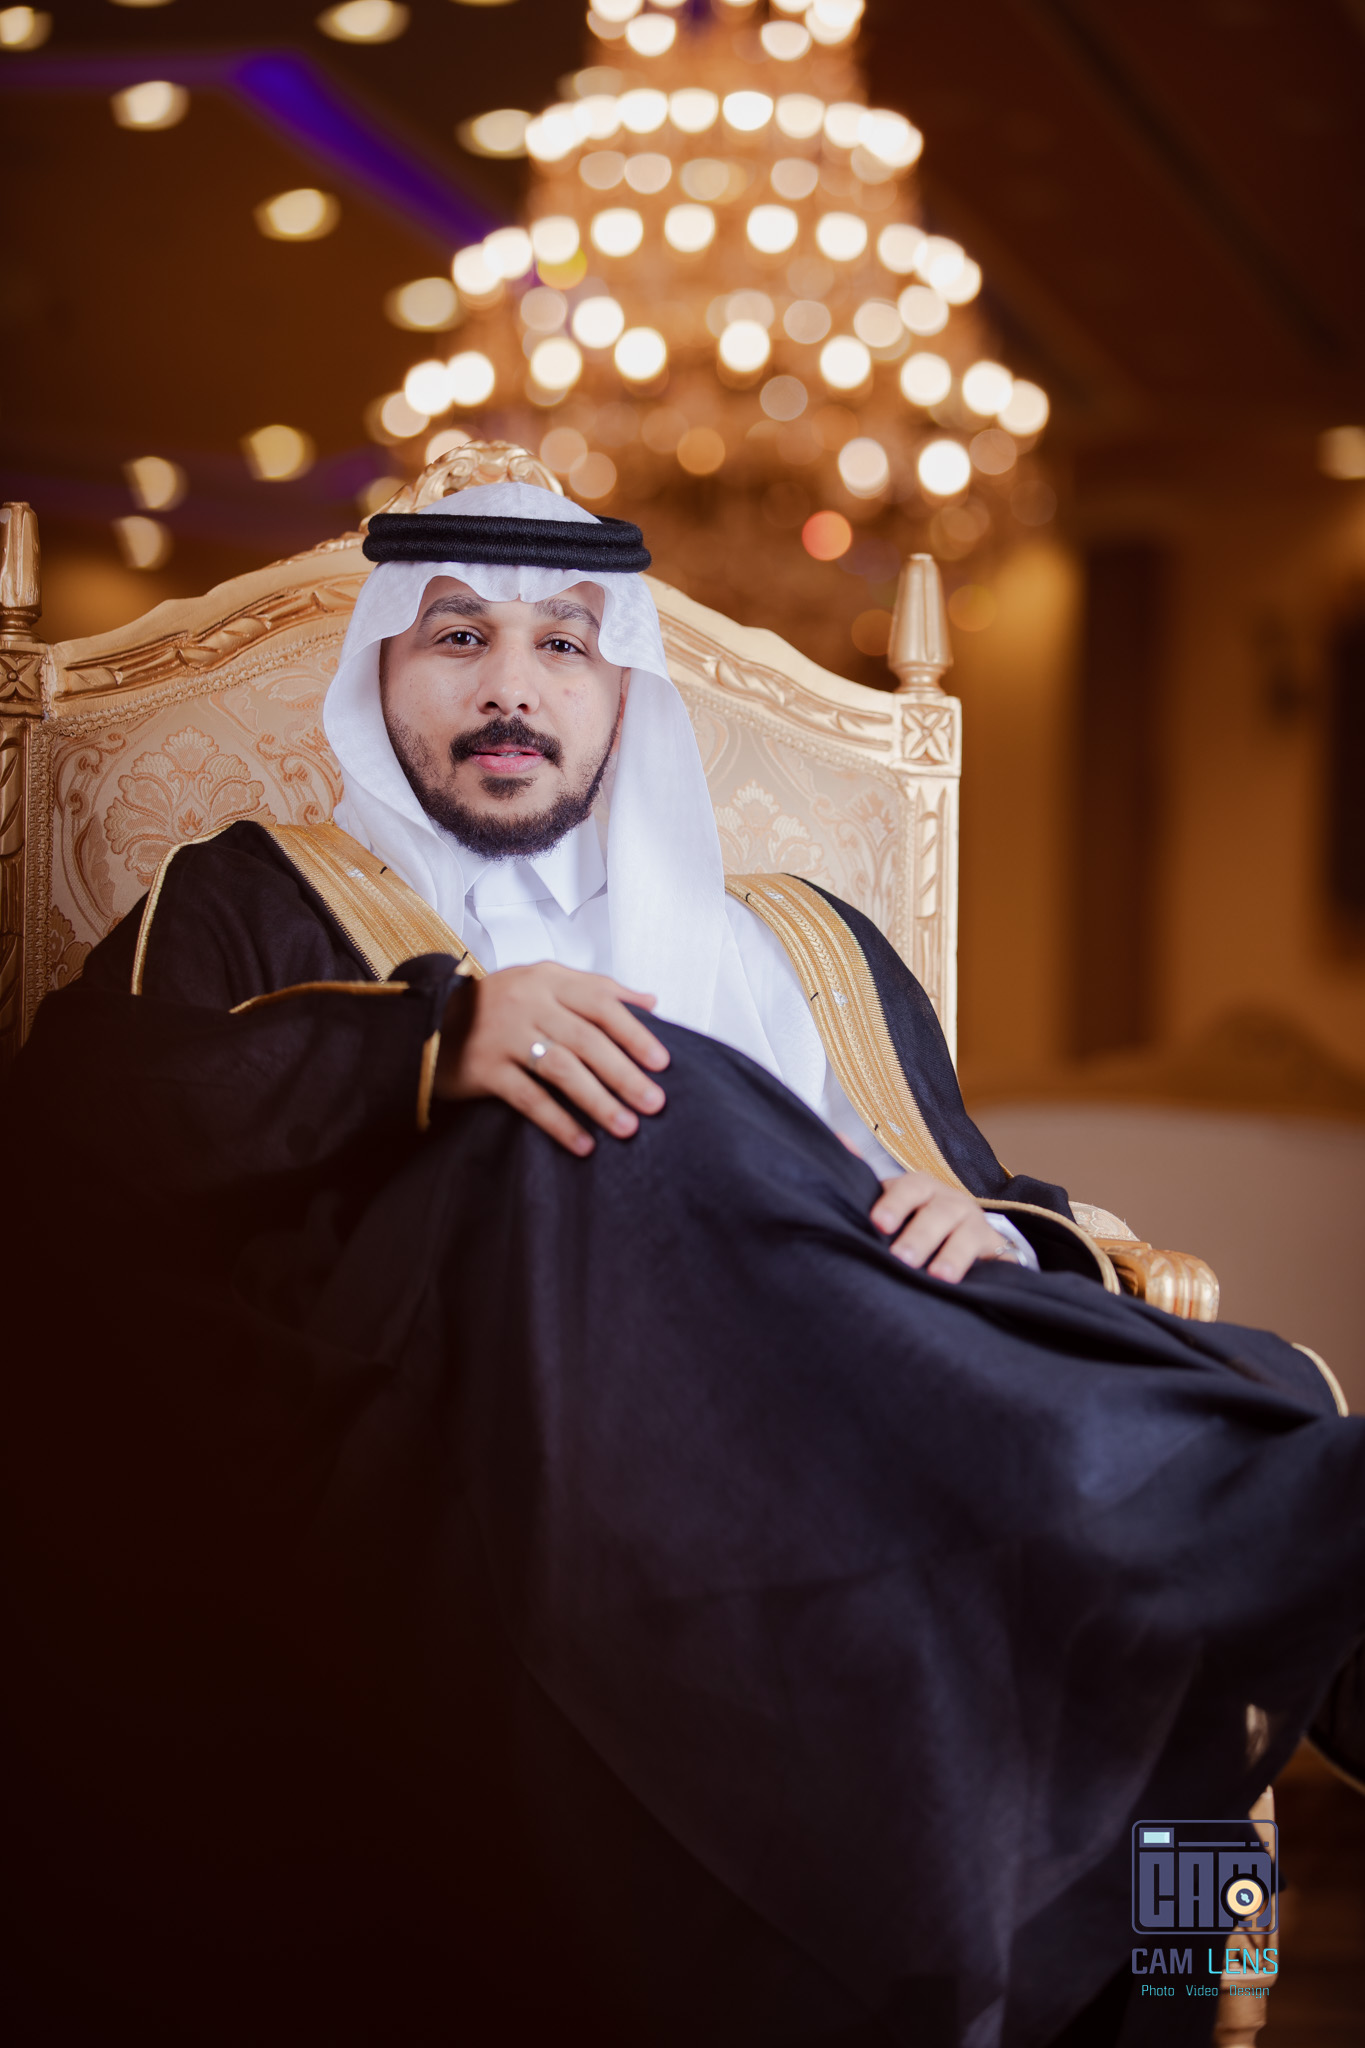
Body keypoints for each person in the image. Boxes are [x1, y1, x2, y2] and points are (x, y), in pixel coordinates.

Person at [3, 476, 1362, 2048]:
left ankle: (1223, 1776)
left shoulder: (795, 941)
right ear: (381, 670)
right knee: (611, 1118)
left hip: (840, 1458)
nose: (512, 686)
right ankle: (1292, 1526)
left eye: (563, 646)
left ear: (621, 686)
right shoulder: (247, 898)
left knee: (1028, 1385)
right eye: (457, 637)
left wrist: (981, 1230)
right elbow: (78, 1133)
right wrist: (438, 1046)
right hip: (465, 1469)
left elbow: (983, 1189)